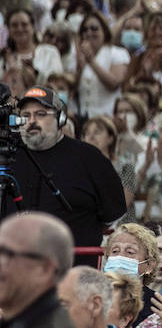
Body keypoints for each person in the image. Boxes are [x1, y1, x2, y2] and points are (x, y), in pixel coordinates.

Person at [13, 85, 125, 246]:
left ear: (60, 119)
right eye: (26, 115)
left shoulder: (90, 158)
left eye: (40, 114)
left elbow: (112, 215)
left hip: (74, 259)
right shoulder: (8, 158)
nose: (32, 121)